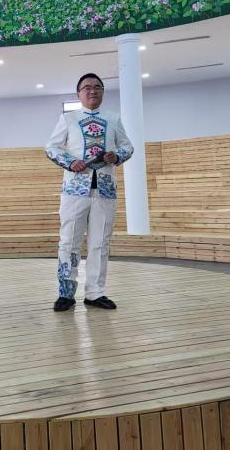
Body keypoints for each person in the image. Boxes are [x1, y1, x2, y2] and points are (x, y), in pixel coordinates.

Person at [45, 73, 134, 312]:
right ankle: (66, 293)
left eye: (97, 87)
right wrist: (69, 161)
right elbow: (51, 147)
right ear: (79, 94)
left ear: (103, 91)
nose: (92, 91)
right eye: (87, 88)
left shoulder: (114, 118)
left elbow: (127, 146)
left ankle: (95, 292)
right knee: (69, 241)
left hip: (105, 189)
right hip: (74, 188)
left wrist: (117, 156)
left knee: (100, 242)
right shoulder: (68, 118)